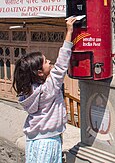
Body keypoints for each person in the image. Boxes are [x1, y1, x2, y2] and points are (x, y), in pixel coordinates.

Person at [12, 17, 77, 163]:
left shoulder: (29, 91)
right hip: (48, 142)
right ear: (40, 72)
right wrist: (69, 32)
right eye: (46, 62)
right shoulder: (48, 89)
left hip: (34, 141)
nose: (50, 62)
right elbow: (61, 64)